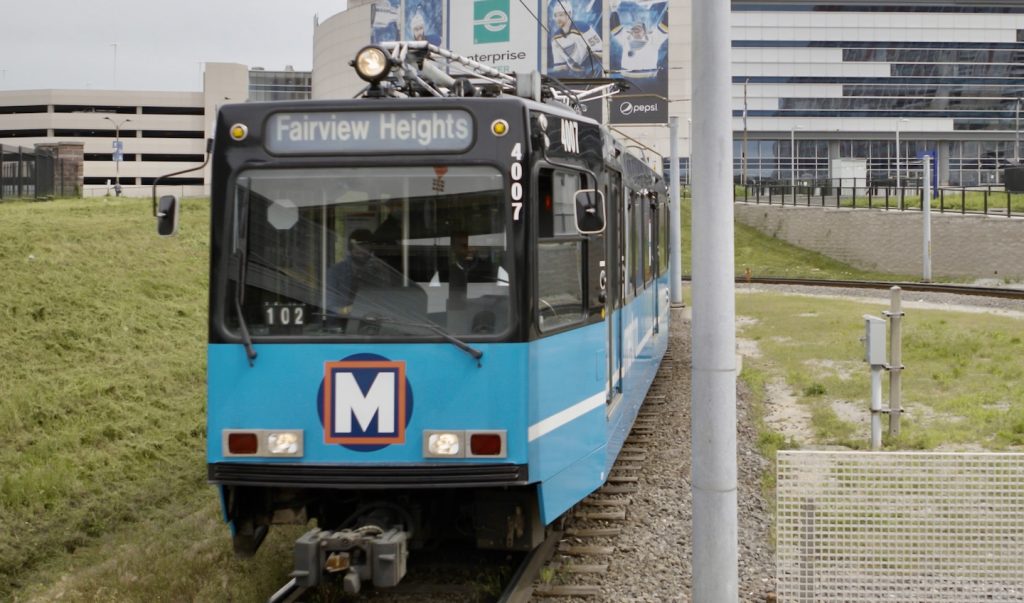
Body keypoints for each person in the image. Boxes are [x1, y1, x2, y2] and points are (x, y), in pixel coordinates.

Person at [549, 2, 603, 78]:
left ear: (569, 14)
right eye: (555, 16)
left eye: (561, 15)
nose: (558, 19)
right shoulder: (555, 38)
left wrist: (586, 65)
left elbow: (601, 53)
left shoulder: (583, 28)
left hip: (593, 74)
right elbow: (560, 66)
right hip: (575, 78)